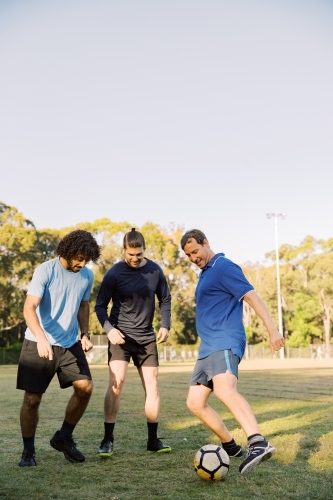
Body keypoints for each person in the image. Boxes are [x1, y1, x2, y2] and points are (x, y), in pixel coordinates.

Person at [180, 229, 285, 475]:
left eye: (195, 251)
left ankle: (258, 442)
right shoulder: (205, 273)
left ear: (206, 243)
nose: (193, 257)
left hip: (225, 340)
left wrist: (273, 330)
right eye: (188, 255)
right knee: (195, 403)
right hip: (207, 347)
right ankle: (231, 446)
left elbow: (252, 297)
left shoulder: (224, 267)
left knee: (225, 389)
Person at [17, 229, 100, 467]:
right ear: (68, 251)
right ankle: (28, 451)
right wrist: (42, 339)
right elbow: (29, 308)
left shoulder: (86, 275)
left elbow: (83, 305)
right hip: (38, 341)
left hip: (69, 342)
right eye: (80, 258)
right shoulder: (45, 270)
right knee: (32, 399)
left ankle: (64, 437)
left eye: (87, 260)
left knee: (85, 387)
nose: (82, 264)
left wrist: (85, 334)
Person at [95, 228, 171, 456]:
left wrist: (165, 324)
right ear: (124, 250)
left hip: (147, 339)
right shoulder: (113, 274)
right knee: (116, 385)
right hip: (120, 338)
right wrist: (109, 330)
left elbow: (165, 299)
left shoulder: (155, 271)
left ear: (144, 250)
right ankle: (107, 440)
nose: (135, 259)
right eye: (130, 255)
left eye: (139, 255)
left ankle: (152, 440)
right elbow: (100, 306)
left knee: (152, 387)